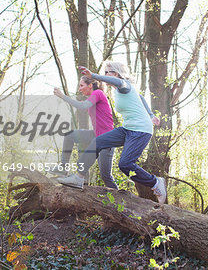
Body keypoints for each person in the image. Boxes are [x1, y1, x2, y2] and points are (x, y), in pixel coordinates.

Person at [57, 61, 167, 204]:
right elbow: (140, 97)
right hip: (127, 129)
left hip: (141, 130)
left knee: (125, 164)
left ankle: (155, 182)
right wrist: (151, 114)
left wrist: (94, 75)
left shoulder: (123, 85)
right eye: (105, 72)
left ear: (116, 73)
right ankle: (78, 178)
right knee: (97, 141)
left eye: (109, 72)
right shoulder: (119, 90)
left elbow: (117, 82)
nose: (106, 75)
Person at [53, 76, 118, 189]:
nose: (80, 89)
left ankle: (121, 202)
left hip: (107, 138)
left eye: (82, 85)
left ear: (90, 85)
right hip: (95, 135)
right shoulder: (93, 98)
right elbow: (83, 105)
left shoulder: (98, 93)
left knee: (106, 176)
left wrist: (62, 96)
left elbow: (82, 106)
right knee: (69, 136)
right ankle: (63, 167)